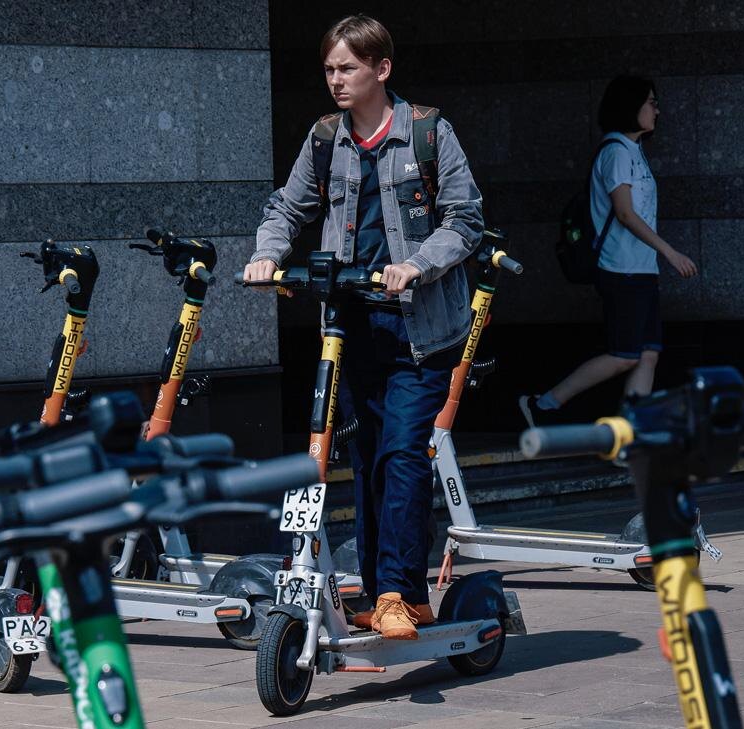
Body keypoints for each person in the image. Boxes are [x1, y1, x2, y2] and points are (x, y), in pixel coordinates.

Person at [243, 14, 483, 639]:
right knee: (372, 458)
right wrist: (268, 253)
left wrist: (415, 265)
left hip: (423, 330)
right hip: (351, 329)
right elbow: (287, 206)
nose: (335, 80)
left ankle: (400, 591)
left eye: (347, 67)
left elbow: (465, 222)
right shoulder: (326, 139)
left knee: (403, 455)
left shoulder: (429, 133)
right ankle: (386, 592)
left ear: (382, 69)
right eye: (328, 69)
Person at [519, 75, 697, 427]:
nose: (656, 110)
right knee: (625, 355)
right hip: (621, 269)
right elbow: (625, 213)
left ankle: (630, 437)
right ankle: (543, 404)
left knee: (647, 354)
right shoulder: (615, 151)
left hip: (642, 269)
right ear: (630, 106)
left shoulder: (634, 151)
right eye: (650, 102)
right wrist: (670, 253)